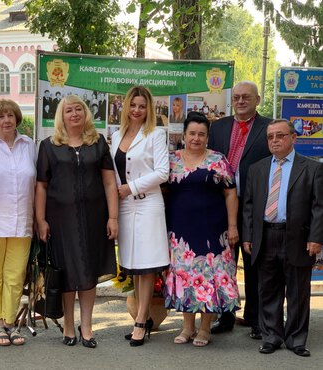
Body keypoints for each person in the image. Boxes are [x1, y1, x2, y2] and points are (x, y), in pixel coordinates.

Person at [35, 94, 118, 348]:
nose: (74, 114)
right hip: (60, 221)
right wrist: (40, 220)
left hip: (94, 218)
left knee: (88, 271)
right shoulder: (49, 145)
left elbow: (108, 181)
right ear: (61, 115)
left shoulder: (98, 143)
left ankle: (88, 327)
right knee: (68, 272)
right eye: (69, 110)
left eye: (79, 109)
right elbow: (41, 186)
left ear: (86, 114)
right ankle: (69, 326)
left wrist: (113, 217)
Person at [243, 119, 323, 357]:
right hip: (265, 236)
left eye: (280, 136)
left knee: (298, 292)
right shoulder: (257, 169)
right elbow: (248, 206)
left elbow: (319, 207)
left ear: (293, 138)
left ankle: (297, 339)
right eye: (270, 137)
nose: (275, 141)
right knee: (268, 290)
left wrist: (316, 237)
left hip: (297, 238)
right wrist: (248, 236)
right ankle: (271, 336)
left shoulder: (312, 168)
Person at [165, 112, 240, 347]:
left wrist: (232, 225)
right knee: (186, 275)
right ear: (184, 135)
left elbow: (230, 193)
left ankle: (205, 328)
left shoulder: (218, 159)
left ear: (207, 136)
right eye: (192, 133)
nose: (196, 138)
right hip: (181, 231)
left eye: (201, 134)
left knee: (209, 276)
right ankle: (187, 327)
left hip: (212, 230)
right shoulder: (171, 160)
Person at [208, 81, 271, 339]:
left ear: (257, 99)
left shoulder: (269, 128)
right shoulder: (219, 127)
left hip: (254, 206)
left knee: (254, 262)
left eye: (246, 97)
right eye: (236, 97)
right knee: (225, 264)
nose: (241, 101)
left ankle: (256, 318)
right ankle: (226, 316)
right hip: (222, 205)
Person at [110, 86, 169, 347]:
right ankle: (139, 316)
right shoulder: (115, 135)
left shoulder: (156, 134)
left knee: (147, 266)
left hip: (147, 205)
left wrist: (130, 188)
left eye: (142, 106)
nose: (137, 110)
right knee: (132, 264)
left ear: (149, 109)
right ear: (126, 107)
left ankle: (142, 320)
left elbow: (163, 172)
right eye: (133, 105)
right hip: (124, 206)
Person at [0, 99, 36, 347]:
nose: (6, 120)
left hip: (22, 222)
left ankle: (10, 323)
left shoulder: (29, 146)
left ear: (17, 119)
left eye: (11, 115)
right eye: (1, 116)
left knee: (15, 276)